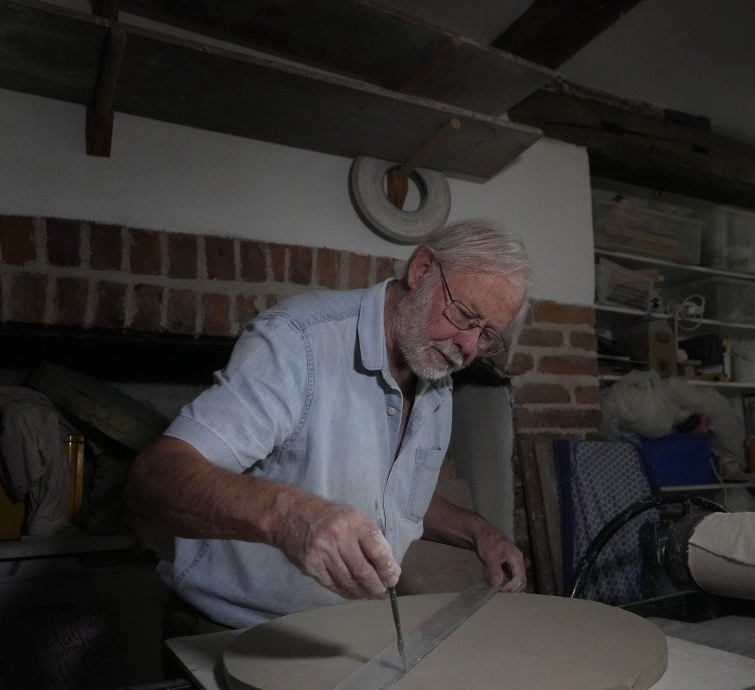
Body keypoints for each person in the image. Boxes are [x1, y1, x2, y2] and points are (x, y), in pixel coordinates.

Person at [125, 218, 533, 632]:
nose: (468, 346)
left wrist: (479, 533)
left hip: (343, 635)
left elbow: (394, 497)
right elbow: (154, 476)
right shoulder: (299, 341)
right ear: (422, 270)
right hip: (230, 633)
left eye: (486, 337)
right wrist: (286, 515)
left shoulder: (435, 379)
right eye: (464, 315)